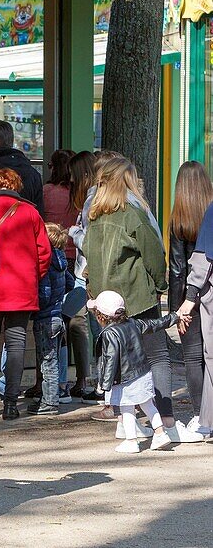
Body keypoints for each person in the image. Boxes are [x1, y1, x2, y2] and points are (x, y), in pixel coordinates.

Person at [82, 156, 202, 443]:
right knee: (157, 357)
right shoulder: (132, 214)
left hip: (108, 301)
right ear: (127, 181)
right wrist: (160, 286)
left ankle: (127, 421)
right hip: (137, 296)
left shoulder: (95, 218)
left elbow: (89, 259)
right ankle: (168, 422)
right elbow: (153, 255)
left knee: (121, 360)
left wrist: (97, 296)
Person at [0, 169, 51, 421]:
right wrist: (32, 277)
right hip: (21, 289)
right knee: (16, 344)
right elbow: (44, 253)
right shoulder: (30, 212)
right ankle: (10, 404)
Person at [89, 291, 187, 453]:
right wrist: (174, 317)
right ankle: (161, 433)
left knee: (127, 409)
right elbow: (155, 324)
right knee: (149, 405)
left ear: (101, 316)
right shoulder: (134, 323)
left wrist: (104, 385)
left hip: (124, 379)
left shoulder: (109, 334)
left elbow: (110, 359)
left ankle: (131, 441)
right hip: (143, 373)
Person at [167, 161, 213, 437]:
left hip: (189, 295)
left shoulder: (179, 218)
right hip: (207, 291)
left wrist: (177, 306)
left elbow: (176, 267)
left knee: (193, 357)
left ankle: (200, 416)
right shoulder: (210, 210)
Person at [64, 150, 100, 404]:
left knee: (94, 328)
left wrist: (73, 231)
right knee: (79, 324)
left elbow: (89, 241)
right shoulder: (93, 198)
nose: (72, 183)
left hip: (89, 274)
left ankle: (98, 382)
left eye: (74, 177)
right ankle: (90, 380)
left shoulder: (92, 199)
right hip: (84, 273)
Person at [29, 223, 75, 416]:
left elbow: (45, 292)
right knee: (52, 360)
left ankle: (50, 401)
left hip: (45, 318)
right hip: (57, 317)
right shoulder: (62, 261)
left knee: (47, 362)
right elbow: (70, 284)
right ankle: (50, 398)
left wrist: (36, 305)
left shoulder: (47, 263)